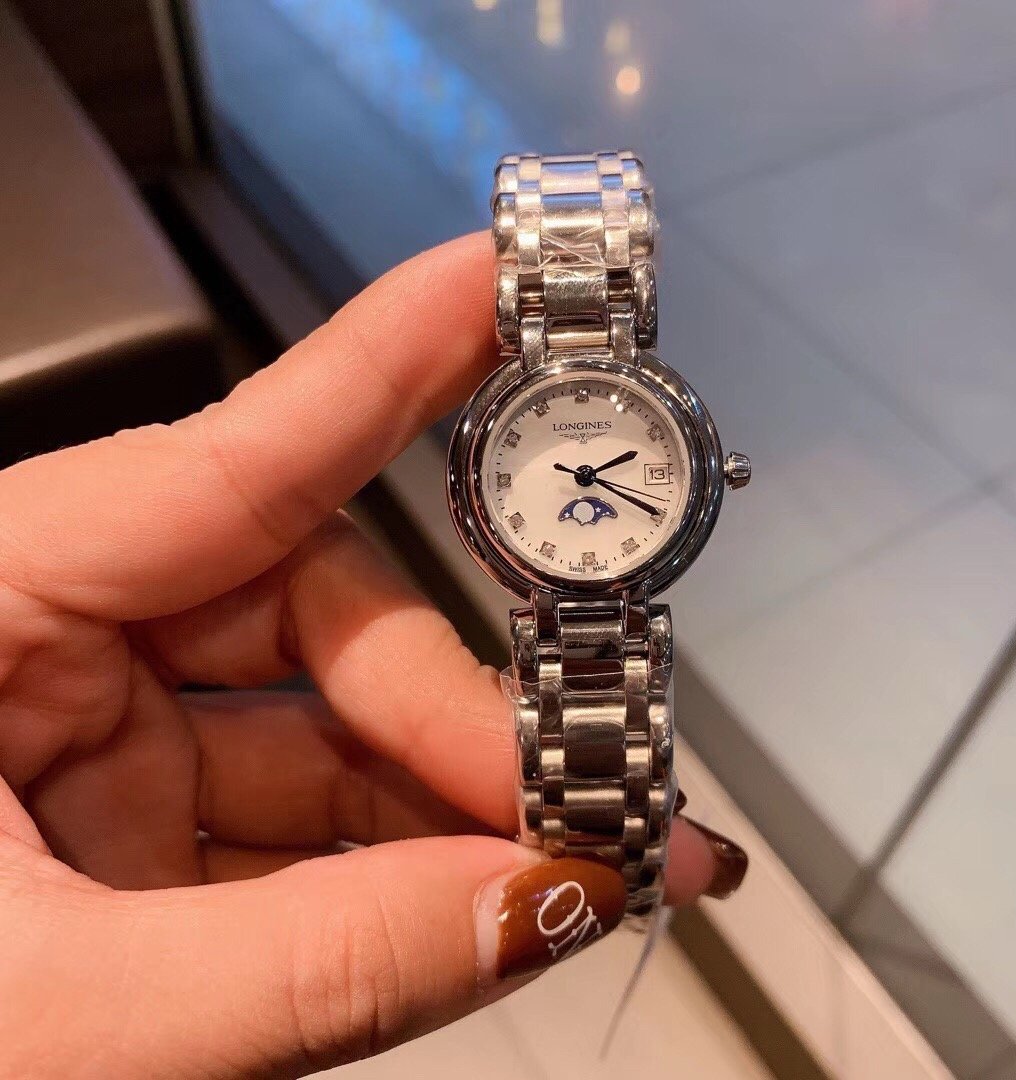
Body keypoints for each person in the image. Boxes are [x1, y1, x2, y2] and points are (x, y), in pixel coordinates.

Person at [0, 233, 746, 1078]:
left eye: (599, 473)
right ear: (479, 495)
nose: (581, 480)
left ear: (711, 475)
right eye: (573, 473)